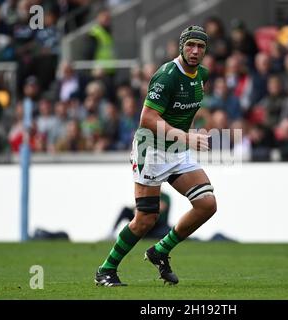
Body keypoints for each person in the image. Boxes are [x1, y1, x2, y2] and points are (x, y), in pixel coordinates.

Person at [95, 26, 217, 286]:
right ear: (181, 46)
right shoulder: (167, 76)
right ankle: (106, 269)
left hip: (176, 150)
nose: (195, 51)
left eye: (201, 47)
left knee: (207, 204)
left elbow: (189, 110)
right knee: (146, 219)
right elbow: (147, 118)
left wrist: (188, 134)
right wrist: (186, 137)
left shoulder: (201, 74)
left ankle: (160, 251)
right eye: (190, 45)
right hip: (151, 149)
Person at [106, 192, 171, 240]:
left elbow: (161, 208)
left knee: (170, 232)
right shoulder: (147, 195)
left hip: (158, 225)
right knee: (126, 210)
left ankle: (145, 236)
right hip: (144, 222)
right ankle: (111, 233)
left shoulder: (165, 196)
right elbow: (137, 207)